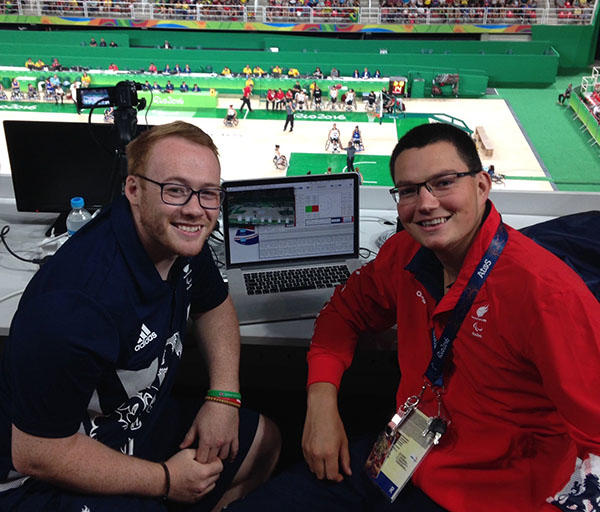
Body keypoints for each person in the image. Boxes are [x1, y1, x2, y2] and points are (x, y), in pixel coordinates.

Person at [227, 122, 600, 512]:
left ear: (482, 186)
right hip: (402, 458)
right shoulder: (404, 253)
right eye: (408, 190)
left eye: (443, 182)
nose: (425, 203)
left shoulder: (547, 294)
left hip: (492, 497)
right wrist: (321, 401)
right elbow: (342, 313)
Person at [0, 121, 281, 511]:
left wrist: (223, 397)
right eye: (176, 190)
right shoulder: (75, 306)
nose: (195, 209)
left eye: (208, 194)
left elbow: (213, 305)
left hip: (133, 425)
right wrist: (167, 480)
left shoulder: (180, 238)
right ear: (133, 190)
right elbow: (36, 453)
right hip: (45, 473)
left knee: (263, 442)